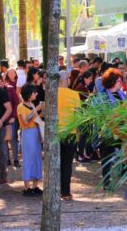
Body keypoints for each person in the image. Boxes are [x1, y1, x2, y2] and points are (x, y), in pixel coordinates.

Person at [97, 68, 126, 188]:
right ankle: (106, 181)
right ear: (112, 81)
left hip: (122, 129)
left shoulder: (122, 95)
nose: (121, 83)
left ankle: (125, 178)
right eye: (119, 81)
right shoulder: (103, 95)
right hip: (108, 130)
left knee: (125, 154)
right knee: (107, 156)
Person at [58, 71, 81, 200]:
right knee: (67, 163)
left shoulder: (51, 93)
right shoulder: (74, 95)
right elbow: (78, 115)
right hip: (70, 132)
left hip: (56, 132)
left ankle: (55, 190)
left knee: (56, 163)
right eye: (69, 78)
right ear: (66, 79)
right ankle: (65, 192)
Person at [18, 83, 44, 196]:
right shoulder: (21, 106)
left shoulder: (32, 104)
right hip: (27, 133)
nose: (36, 94)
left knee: (37, 158)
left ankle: (35, 185)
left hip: (35, 133)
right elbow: (25, 122)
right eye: (34, 92)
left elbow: (36, 119)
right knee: (28, 159)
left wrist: (41, 112)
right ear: (29, 94)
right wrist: (36, 110)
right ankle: (26, 187)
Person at [0, 73, 12, 185]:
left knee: (1, 151)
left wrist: (1, 120)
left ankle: (2, 176)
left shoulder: (2, 92)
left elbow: (9, 109)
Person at [4, 68, 20, 167]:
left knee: (13, 138)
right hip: (2, 119)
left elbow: (16, 103)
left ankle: (15, 159)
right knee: (4, 140)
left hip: (12, 118)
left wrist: (14, 116)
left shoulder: (10, 88)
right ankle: (7, 160)